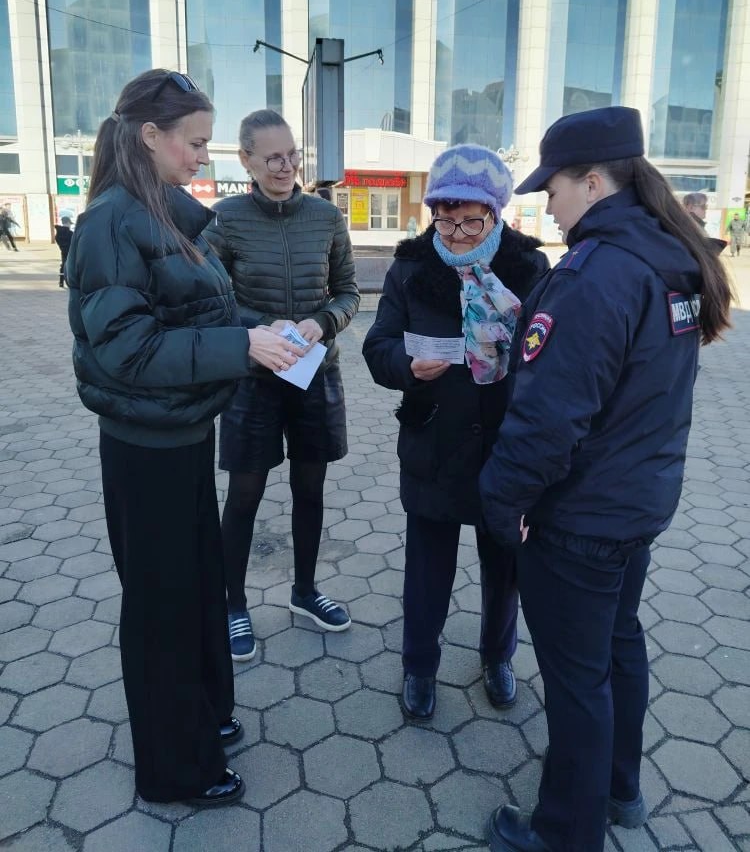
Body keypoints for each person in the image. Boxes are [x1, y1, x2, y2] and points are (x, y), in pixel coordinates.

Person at [478, 107, 733, 852]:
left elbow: (551, 418)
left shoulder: (598, 272)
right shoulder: (663, 259)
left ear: (593, 181)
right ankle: (620, 788)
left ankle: (565, 833)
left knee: (577, 676)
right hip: (635, 503)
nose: (545, 204)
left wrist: (503, 500)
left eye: (552, 188)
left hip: (581, 518)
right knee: (618, 643)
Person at [64, 70, 301, 808]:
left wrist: (254, 334)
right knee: (163, 610)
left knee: (194, 592)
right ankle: (174, 769)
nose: (205, 156)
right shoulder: (110, 221)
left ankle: (202, 719)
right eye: (195, 142)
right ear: (151, 137)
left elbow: (187, 323)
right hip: (145, 450)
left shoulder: (157, 215)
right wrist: (243, 351)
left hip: (183, 434)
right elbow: (128, 351)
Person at [362, 145, 549, 720]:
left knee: (504, 566)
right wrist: (404, 366)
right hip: (434, 440)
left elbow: (549, 355)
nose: (459, 233)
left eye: (473, 219)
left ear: (497, 212)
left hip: (504, 444)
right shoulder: (413, 267)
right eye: (446, 217)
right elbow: (378, 346)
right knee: (428, 567)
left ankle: (497, 656)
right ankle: (419, 665)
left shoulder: (528, 267)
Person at [203, 109, 360, 661]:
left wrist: (323, 322)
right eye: (272, 157)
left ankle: (305, 592)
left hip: (315, 371)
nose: (285, 166)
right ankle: (232, 605)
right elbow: (212, 301)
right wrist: (258, 329)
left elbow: (348, 292)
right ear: (245, 159)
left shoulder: (326, 217)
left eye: (291, 155)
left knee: (310, 490)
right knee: (244, 495)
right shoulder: (223, 219)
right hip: (252, 376)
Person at [54, 215, 73, 287]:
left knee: (63, 265)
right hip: (71, 252)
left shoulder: (58, 234)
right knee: (72, 266)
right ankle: (71, 281)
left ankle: (61, 282)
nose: (70, 225)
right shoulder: (70, 234)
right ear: (67, 223)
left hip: (63, 252)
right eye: (69, 224)